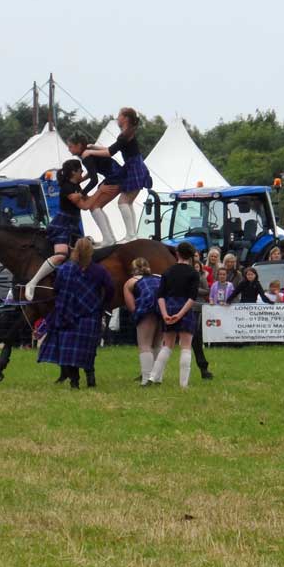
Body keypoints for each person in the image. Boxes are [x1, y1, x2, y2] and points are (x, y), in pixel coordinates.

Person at [36, 237, 110, 388]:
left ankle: (74, 382)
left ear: (74, 250)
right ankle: (90, 378)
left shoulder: (65, 269)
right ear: (91, 251)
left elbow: (56, 288)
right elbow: (110, 289)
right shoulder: (99, 270)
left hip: (67, 314)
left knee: (69, 351)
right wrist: (101, 305)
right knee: (88, 349)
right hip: (90, 314)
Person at [78, 107, 153, 243]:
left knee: (123, 202)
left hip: (133, 168)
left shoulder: (125, 135)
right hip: (135, 167)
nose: (117, 118)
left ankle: (130, 236)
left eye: (119, 115)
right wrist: (94, 148)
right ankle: (132, 234)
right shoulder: (127, 133)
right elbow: (111, 149)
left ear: (125, 118)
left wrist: (90, 152)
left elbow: (109, 153)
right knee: (127, 202)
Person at [27, 160, 91, 298]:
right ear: (74, 172)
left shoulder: (75, 185)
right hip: (63, 223)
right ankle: (32, 282)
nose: (82, 173)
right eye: (81, 171)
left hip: (73, 224)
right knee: (60, 256)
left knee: (81, 256)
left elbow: (86, 182)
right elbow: (85, 205)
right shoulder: (68, 188)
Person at [148, 241, 202, 389]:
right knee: (185, 347)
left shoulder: (167, 271)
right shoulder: (193, 273)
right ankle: (183, 384)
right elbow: (192, 297)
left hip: (169, 307)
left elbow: (160, 296)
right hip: (184, 308)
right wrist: (180, 314)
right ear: (190, 255)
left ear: (177, 254)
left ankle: (152, 377)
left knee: (167, 346)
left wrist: (165, 314)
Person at [66, 132, 119, 245]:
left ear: (79, 145)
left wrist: (81, 194)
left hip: (115, 177)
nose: (69, 149)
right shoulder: (86, 152)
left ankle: (108, 239)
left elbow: (94, 180)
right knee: (96, 206)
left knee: (94, 206)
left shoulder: (85, 155)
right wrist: (82, 180)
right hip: (115, 175)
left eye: (70, 146)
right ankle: (110, 238)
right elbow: (92, 172)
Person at [123, 257, 162, 385]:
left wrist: (137, 318)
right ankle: (157, 378)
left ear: (133, 270)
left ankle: (146, 379)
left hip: (147, 310)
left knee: (144, 344)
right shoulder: (159, 277)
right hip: (163, 309)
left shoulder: (130, 282)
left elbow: (132, 307)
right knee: (157, 344)